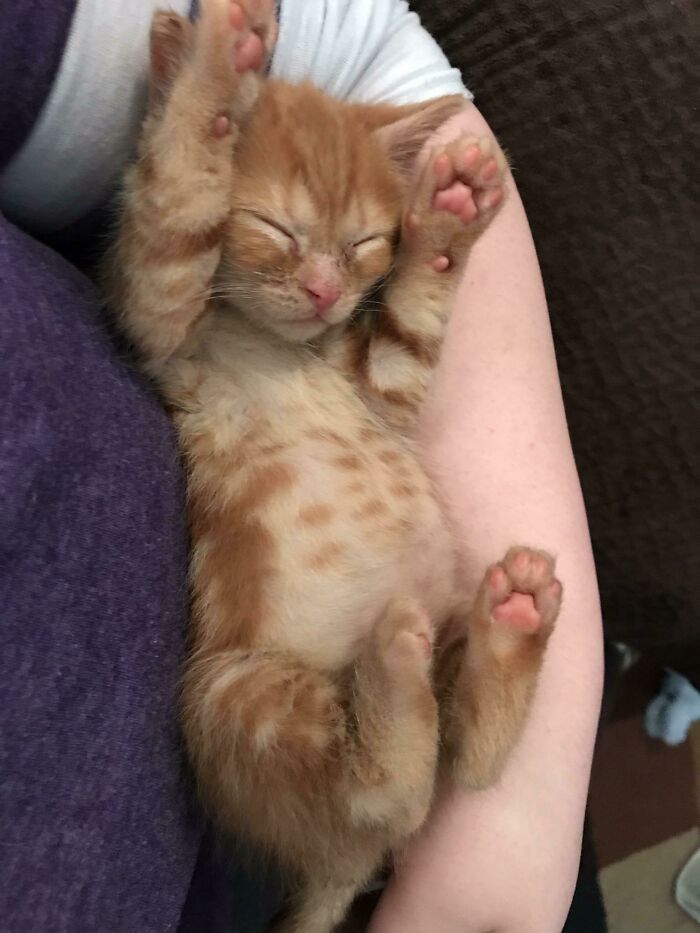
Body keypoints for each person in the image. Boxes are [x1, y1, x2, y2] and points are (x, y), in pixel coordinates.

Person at [0, 2, 603, 931]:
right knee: (233, 706)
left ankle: (468, 705)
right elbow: (164, 260)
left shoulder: (326, 348)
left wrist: (431, 256)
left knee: (296, 691)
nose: (323, 289)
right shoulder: (190, 339)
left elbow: (395, 377)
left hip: (426, 752)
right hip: (303, 728)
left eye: (358, 254)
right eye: (280, 239)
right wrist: (202, 113)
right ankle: (382, 763)